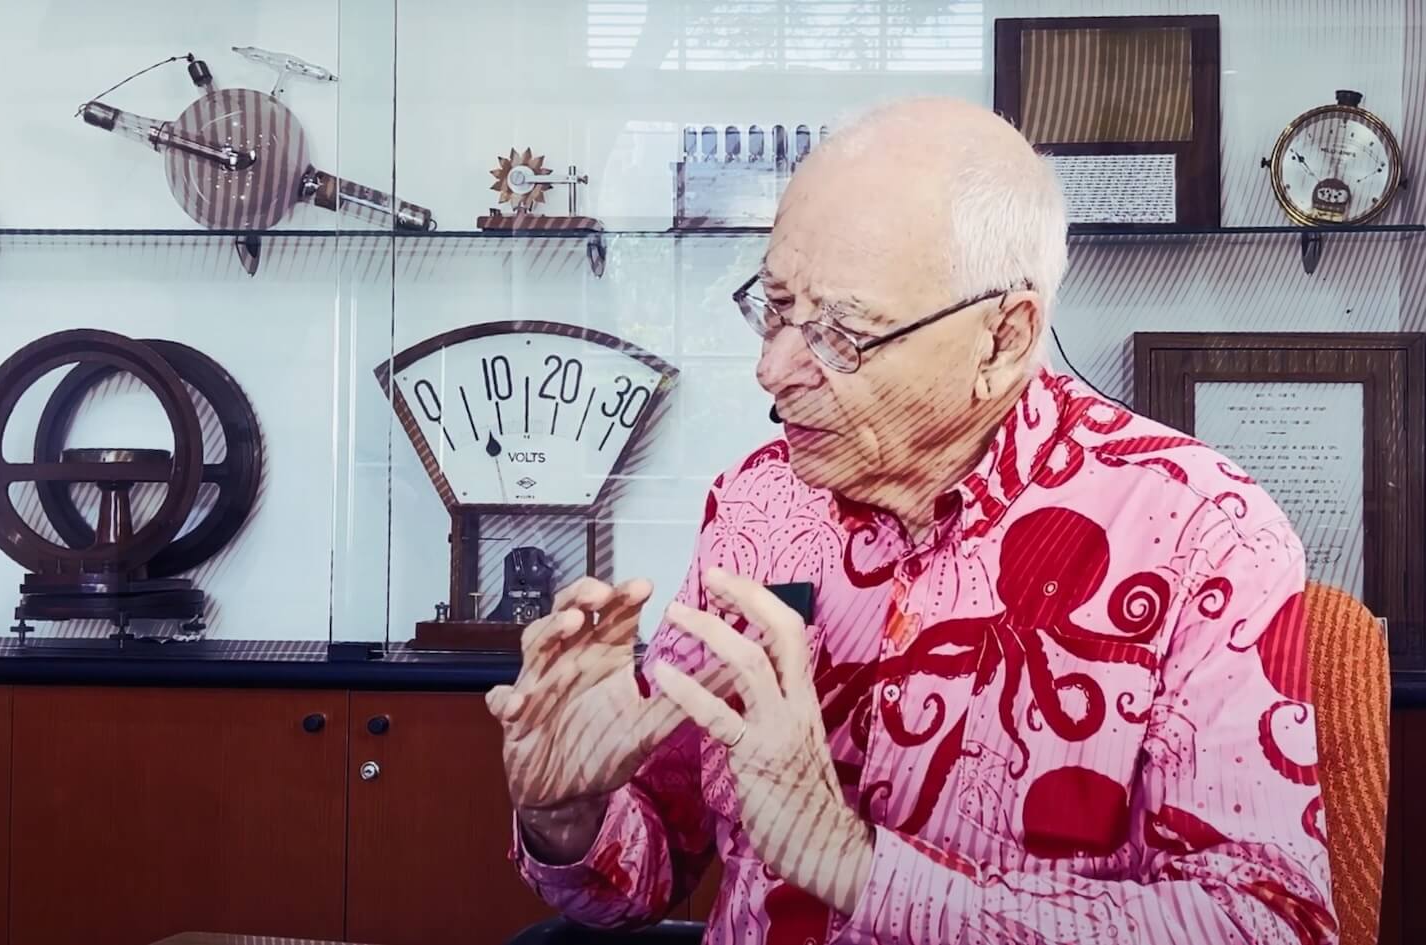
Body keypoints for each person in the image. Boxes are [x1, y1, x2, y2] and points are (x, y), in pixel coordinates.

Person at [486, 95, 1338, 945]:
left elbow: (1265, 924)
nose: (772, 368)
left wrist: (853, 862)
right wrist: (568, 812)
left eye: (840, 335)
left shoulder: (1204, 534)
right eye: (776, 307)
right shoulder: (759, 504)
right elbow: (651, 870)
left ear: (1003, 338)